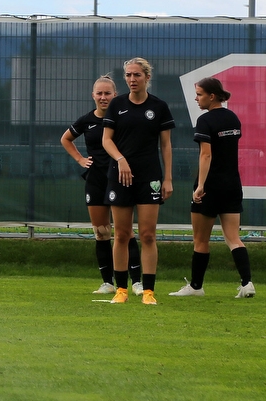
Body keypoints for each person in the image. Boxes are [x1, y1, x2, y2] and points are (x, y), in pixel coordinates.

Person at [170, 77, 255, 298]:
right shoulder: (233, 118)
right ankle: (247, 284)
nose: (196, 99)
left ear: (212, 96)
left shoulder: (205, 120)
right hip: (232, 186)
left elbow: (206, 154)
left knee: (200, 240)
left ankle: (196, 287)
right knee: (234, 238)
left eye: (199, 94)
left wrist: (200, 186)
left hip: (210, 187)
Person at [102, 57, 175, 305]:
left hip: (149, 178)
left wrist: (167, 178)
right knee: (121, 235)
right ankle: (121, 290)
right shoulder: (117, 105)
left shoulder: (159, 106)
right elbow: (106, 140)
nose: (132, 80)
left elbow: (165, 145)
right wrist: (121, 160)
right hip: (119, 176)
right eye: (128, 75)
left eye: (137, 75)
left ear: (147, 77)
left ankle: (148, 292)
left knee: (148, 235)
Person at [61, 75, 144, 295]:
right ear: (93, 95)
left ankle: (136, 282)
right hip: (95, 181)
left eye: (107, 93)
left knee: (125, 232)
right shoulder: (87, 120)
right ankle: (107, 282)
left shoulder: (124, 117)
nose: (103, 97)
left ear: (115, 95)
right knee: (101, 232)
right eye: (99, 93)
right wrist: (80, 160)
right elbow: (65, 139)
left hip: (120, 179)